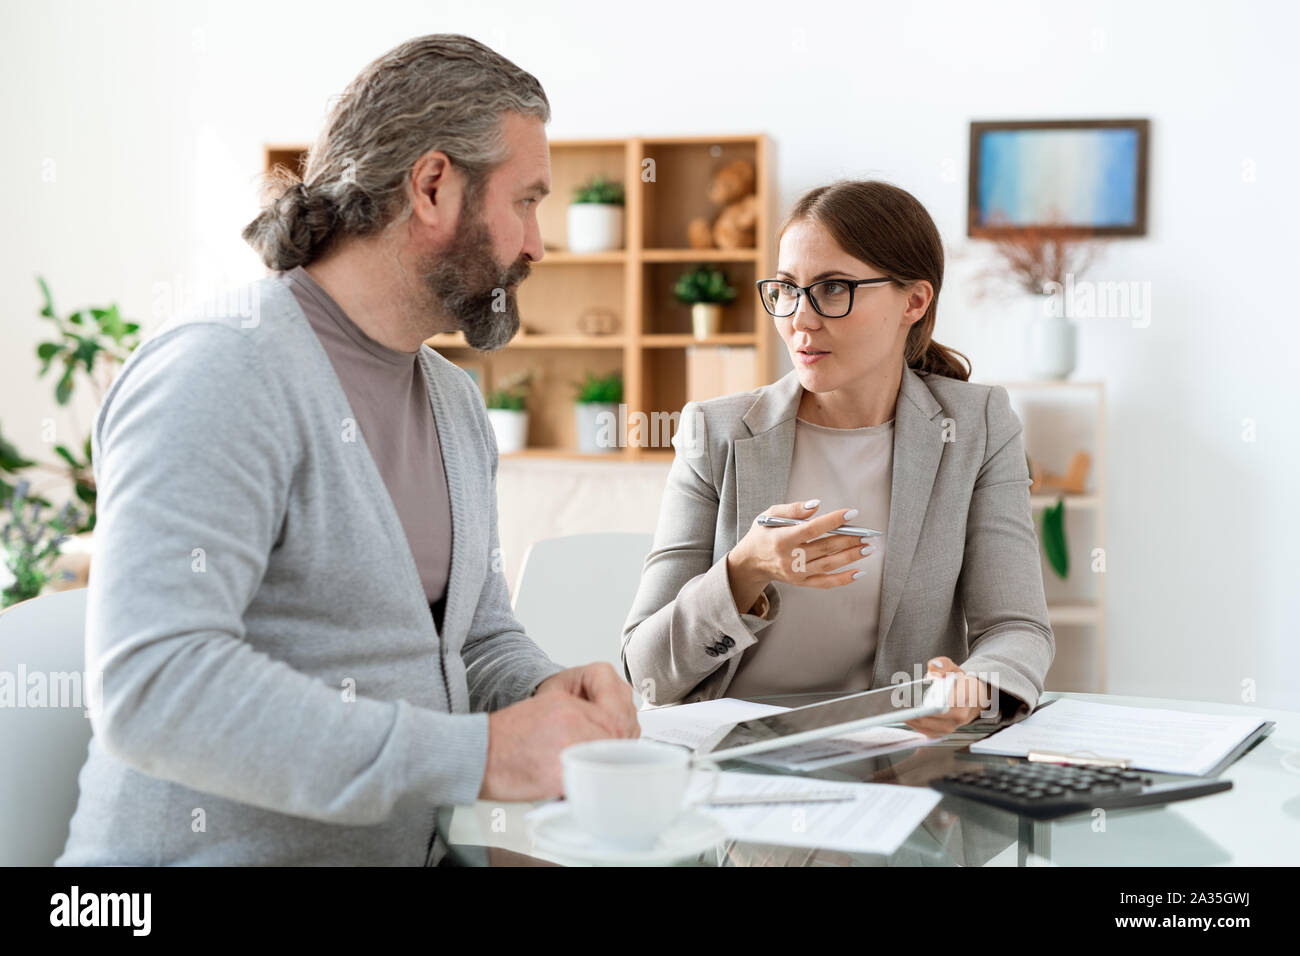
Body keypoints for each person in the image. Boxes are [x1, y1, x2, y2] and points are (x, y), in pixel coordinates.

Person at [57, 34, 637, 867]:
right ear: (433, 185)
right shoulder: (222, 370)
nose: (537, 245)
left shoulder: (454, 403)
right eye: (528, 201)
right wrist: (480, 756)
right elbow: (156, 686)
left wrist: (544, 686)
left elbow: (472, 636)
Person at [621, 180, 1054, 736]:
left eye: (832, 289)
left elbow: (1017, 626)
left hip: (897, 762)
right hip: (733, 769)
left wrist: (977, 688)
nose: (799, 318)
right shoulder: (715, 432)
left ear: (914, 301)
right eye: (786, 288)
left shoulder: (976, 426)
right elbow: (646, 671)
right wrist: (745, 568)